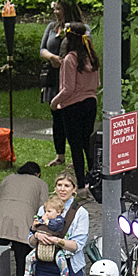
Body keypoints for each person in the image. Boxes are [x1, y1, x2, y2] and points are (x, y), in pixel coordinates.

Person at [56, 21, 103, 191]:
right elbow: (97, 83)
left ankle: (81, 184)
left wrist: (55, 103)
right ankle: (95, 179)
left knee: (75, 146)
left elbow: (68, 89)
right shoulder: (92, 57)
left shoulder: (70, 59)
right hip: (90, 103)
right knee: (87, 143)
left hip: (73, 106)